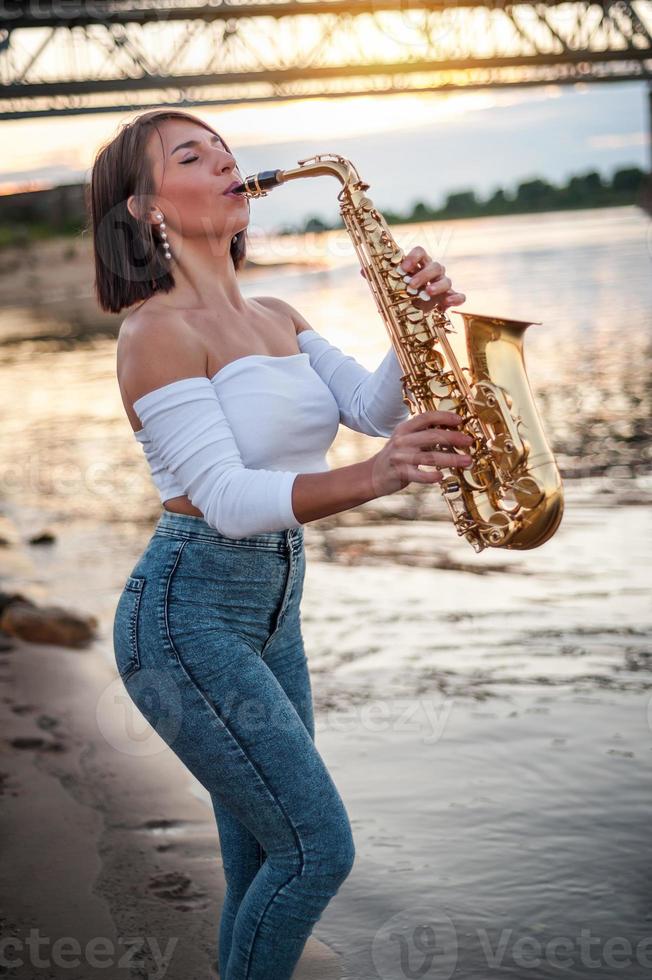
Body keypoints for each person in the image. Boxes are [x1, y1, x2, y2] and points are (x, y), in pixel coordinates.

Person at [90, 108, 473, 980]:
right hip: (186, 620)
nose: (227, 162)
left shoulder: (276, 311)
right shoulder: (154, 335)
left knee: (263, 859)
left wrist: (413, 318)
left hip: (272, 608)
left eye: (225, 148)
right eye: (194, 155)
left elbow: (374, 410)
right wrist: (376, 477)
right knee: (315, 851)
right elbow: (225, 501)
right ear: (148, 211)